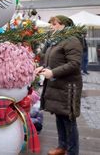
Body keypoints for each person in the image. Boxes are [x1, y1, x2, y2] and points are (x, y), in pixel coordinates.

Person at [35, 15, 83, 155]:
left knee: (68, 120)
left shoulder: (72, 40)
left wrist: (53, 73)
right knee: (59, 116)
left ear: (64, 25)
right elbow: (51, 59)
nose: (51, 26)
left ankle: (73, 151)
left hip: (68, 87)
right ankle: (62, 147)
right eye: (51, 24)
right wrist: (42, 67)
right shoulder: (56, 41)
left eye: (54, 24)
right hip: (57, 86)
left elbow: (74, 64)